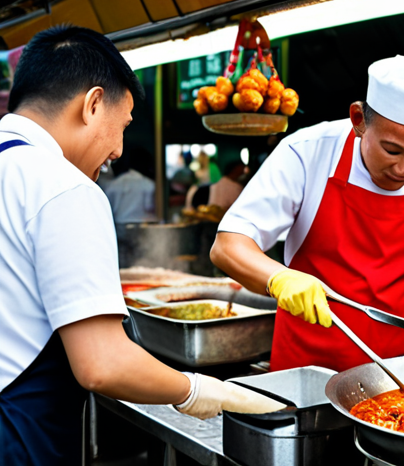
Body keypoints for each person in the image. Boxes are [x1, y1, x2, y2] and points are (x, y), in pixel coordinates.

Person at [0, 26, 283, 465]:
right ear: (93, 104)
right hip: (16, 435)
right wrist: (194, 390)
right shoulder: (63, 187)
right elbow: (102, 363)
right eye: (123, 126)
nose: (117, 150)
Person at [211, 55, 404, 372]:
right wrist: (277, 278)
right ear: (358, 119)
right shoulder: (307, 151)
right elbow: (228, 245)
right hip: (312, 362)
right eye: (392, 150)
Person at [105, 147, 158, 224]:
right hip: (141, 226)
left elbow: (108, 208)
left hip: (118, 225)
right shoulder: (148, 184)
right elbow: (149, 207)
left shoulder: (114, 184)